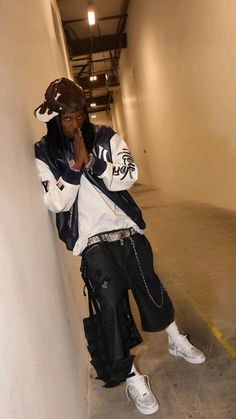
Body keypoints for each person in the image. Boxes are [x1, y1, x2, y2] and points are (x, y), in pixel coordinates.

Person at [34, 77, 206, 415]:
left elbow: (129, 174)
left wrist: (95, 163)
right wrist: (75, 169)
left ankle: (174, 338)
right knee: (111, 301)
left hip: (126, 230)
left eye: (79, 115)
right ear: (54, 118)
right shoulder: (44, 152)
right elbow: (55, 203)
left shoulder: (106, 137)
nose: (75, 123)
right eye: (67, 118)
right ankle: (130, 376)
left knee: (148, 284)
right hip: (93, 242)